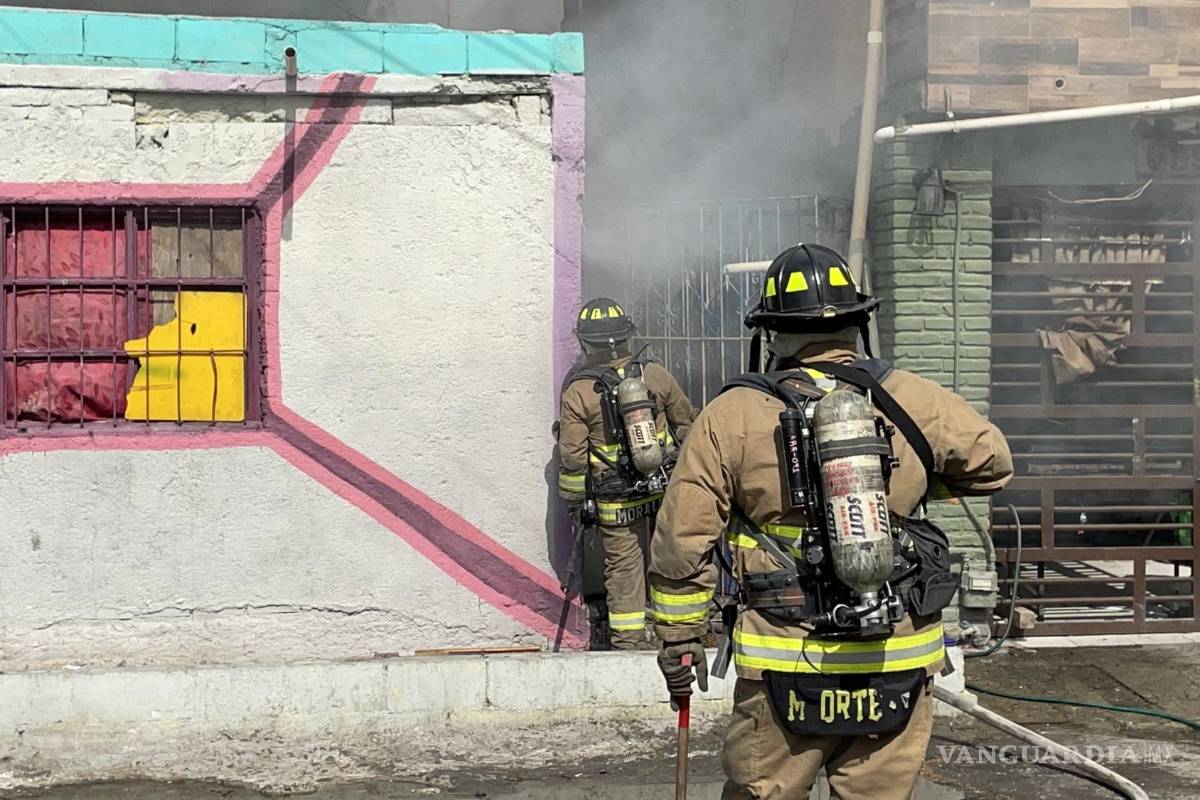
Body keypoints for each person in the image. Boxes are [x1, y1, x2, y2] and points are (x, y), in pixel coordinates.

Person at [649, 245, 1013, 799]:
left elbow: (682, 538)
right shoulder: (911, 397)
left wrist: (680, 637)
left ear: (770, 333)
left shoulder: (731, 414)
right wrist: (912, 481)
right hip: (898, 654)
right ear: (858, 323)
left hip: (784, 656)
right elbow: (993, 464)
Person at [558, 297, 697, 649]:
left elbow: (573, 457)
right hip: (662, 489)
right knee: (671, 559)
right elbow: (686, 425)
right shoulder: (655, 375)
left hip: (615, 501)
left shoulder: (579, 391)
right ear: (626, 337)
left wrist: (576, 503)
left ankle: (628, 646)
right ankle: (678, 636)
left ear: (585, 341)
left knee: (624, 571)